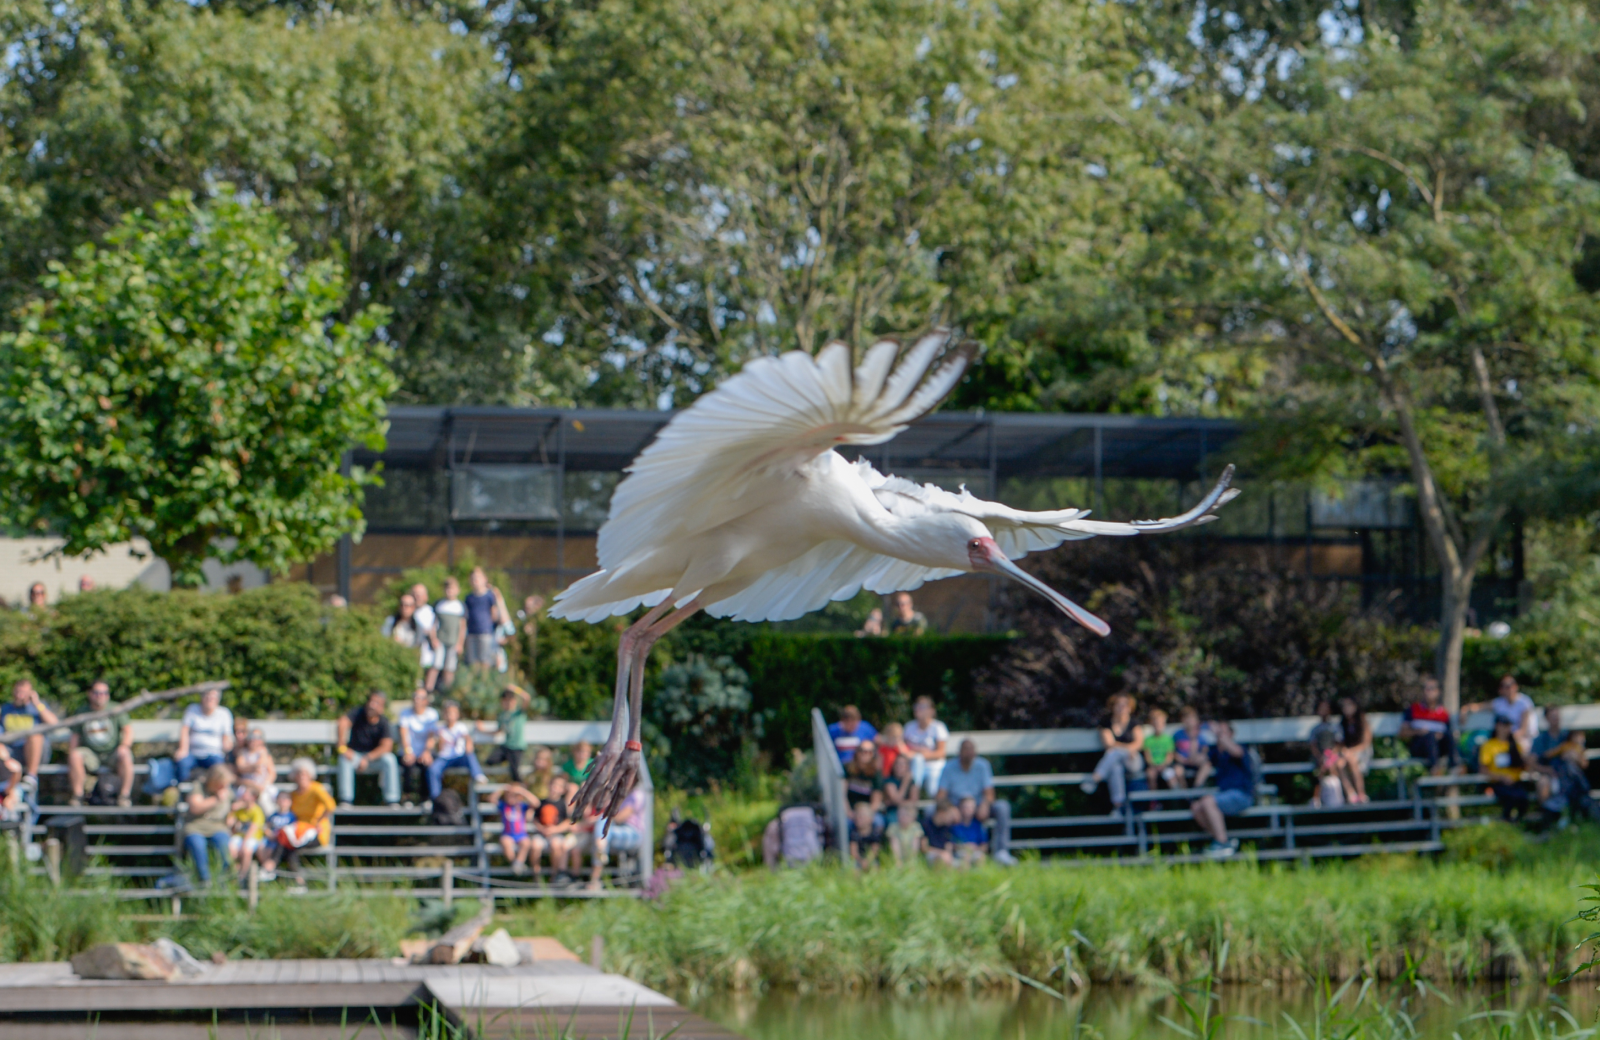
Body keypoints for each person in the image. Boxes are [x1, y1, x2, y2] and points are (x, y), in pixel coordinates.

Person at [935, 738, 1016, 865]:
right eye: (965, 749)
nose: (968, 753)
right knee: (930, 810)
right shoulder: (949, 768)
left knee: (1002, 807)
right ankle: (941, 852)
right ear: (959, 752)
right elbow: (940, 796)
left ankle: (1001, 852)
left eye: (971, 750)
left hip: (977, 806)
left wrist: (985, 804)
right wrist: (950, 808)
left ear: (975, 752)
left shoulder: (982, 766)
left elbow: (989, 793)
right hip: (956, 806)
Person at [66, 679, 135, 807]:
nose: (101, 696)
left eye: (105, 693)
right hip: (90, 753)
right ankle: (78, 796)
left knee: (126, 753)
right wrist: (71, 754)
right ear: (90, 694)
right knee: (74, 755)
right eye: (97, 693)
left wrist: (124, 746)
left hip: (112, 753)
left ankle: (124, 796)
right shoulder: (82, 711)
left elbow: (128, 731)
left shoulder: (115, 709)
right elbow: (75, 736)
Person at [1189, 721, 1252, 858]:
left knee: (1207, 801)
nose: (1219, 735)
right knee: (1196, 807)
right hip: (1224, 795)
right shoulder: (1216, 753)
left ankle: (1222, 843)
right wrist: (1193, 738)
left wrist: (1219, 733)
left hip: (1242, 795)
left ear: (1231, 734)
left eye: (1223, 732)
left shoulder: (1241, 748)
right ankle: (1223, 842)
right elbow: (1194, 760)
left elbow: (1235, 751)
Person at [1081, 693, 1145, 815]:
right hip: (1116, 762)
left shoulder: (1134, 723)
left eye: (1124, 705)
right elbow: (1109, 744)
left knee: (1114, 753)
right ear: (1113, 707)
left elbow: (1138, 744)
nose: (1121, 708)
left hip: (1133, 761)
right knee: (1116, 768)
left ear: (1129, 707)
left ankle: (1095, 778)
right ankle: (1118, 806)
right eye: (1118, 705)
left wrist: (1125, 749)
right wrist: (1127, 748)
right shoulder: (1106, 723)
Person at [336, 690, 400, 807]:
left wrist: (367, 758)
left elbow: (386, 747)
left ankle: (392, 800)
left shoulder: (384, 722)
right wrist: (343, 747)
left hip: (373, 759)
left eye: (376, 703)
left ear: (381, 707)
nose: (371, 705)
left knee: (390, 759)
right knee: (343, 758)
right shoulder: (358, 713)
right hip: (354, 757)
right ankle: (346, 800)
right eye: (371, 701)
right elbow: (342, 722)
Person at [277, 758, 336, 879]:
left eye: (304, 773)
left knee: (291, 846)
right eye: (299, 773)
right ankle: (285, 876)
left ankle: (298, 881)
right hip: (299, 830)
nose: (302, 776)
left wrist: (319, 822)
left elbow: (331, 806)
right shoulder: (293, 794)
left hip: (316, 831)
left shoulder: (316, 789)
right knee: (283, 841)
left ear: (310, 775)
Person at [1530, 706, 1591, 816]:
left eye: (1557, 716)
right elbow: (1532, 763)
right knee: (1543, 783)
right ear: (1546, 719)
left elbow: (1584, 763)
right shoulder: (1540, 740)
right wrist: (1547, 770)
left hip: (1568, 775)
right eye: (1553, 716)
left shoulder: (1568, 737)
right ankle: (1548, 817)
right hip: (1549, 774)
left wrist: (1574, 756)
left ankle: (1572, 817)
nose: (1556, 719)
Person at [182, 765, 235, 885]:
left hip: (218, 827)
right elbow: (195, 807)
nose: (224, 787)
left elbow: (233, 808)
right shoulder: (199, 787)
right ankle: (204, 881)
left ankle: (224, 881)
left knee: (224, 846)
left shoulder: (228, 791)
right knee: (198, 846)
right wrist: (216, 799)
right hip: (196, 827)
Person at [425, 700, 487, 802]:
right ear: (444, 714)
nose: (450, 716)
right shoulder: (440, 729)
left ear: (457, 714)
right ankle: (436, 798)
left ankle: (478, 775)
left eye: (452, 713)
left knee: (469, 755)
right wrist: (436, 744)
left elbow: (468, 739)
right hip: (444, 758)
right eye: (447, 713)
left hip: (459, 757)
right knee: (433, 769)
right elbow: (436, 747)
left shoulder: (460, 727)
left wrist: (468, 744)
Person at [2, 679, 58, 790]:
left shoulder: (38, 707)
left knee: (35, 735)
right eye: (17, 692)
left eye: (23, 692)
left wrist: (37, 703)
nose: (19, 695)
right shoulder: (6, 709)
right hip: (12, 753)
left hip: (36, 753)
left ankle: (31, 777)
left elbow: (55, 724)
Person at [1465, 676, 1539, 757]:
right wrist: (1465, 709)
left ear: (1515, 686)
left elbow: (1523, 730)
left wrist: (1507, 739)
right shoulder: (1499, 702)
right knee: (1484, 747)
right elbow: (1479, 707)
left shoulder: (1524, 702)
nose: (1506, 689)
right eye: (1503, 686)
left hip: (1525, 739)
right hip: (1504, 739)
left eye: (1509, 686)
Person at [1399, 676, 1459, 774]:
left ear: (1438, 692)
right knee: (1429, 736)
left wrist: (1439, 736)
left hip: (1439, 749)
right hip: (1419, 748)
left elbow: (1449, 736)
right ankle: (1435, 769)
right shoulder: (1413, 710)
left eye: (1431, 689)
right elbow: (1402, 733)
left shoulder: (1444, 714)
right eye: (1425, 689)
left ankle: (1455, 767)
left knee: (1447, 735)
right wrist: (1419, 732)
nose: (1428, 692)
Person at [175, 687, 234, 783]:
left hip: (214, 753)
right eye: (207, 696)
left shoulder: (224, 713)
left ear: (217, 699)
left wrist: (228, 748)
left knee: (220, 769)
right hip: (193, 753)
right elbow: (184, 730)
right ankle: (184, 790)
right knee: (182, 762)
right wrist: (183, 749)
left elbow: (227, 736)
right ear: (202, 698)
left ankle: (213, 792)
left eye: (213, 697)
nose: (210, 699)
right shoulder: (192, 709)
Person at [1480, 716, 1529, 821]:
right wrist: (1501, 777)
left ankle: (1516, 823)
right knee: (1510, 798)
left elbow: (1523, 765)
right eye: (1504, 726)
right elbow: (1483, 769)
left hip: (1516, 782)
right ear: (1497, 726)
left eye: (1508, 726)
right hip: (1498, 783)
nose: (1506, 729)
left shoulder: (1515, 745)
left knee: (1523, 798)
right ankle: (1506, 823)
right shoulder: (1489, 745)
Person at [480, 685, 533, 783]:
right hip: (506, 747)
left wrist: (515, 689)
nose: (508, 703)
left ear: (514, 701)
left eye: (510, 700)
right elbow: (498, 731)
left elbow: (527, 698)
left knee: (514, 772)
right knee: (490, 761)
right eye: (505, 701)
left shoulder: (519, 713)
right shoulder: (502, 715)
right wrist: (482, 730)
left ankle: (521, 788)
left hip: (517, 747)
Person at [530, 772, 575, 882]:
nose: (555, 788)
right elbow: (535, 819)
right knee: (535, 845)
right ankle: (536, 874)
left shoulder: (563, 804)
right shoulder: (541, 802)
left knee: (556, 845)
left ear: (563, 790)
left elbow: (567, 822)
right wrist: (542, 829)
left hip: (556, 834)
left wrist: (554, 830)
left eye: (559, 786)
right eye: (554, 785)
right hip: (541, 833)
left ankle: (555, 874)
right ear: (549, 786)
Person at [397, 687, 438, 805]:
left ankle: (425, 798)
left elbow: (432, 735)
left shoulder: (432, 714)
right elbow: (404, 733)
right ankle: (408, 797)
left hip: (425, 751)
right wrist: (408, 751)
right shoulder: (405, 713)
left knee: (427, 763)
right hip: (408, 751)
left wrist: (426, 752)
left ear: (426, 701)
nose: (416, 700)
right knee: (408, 762)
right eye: (415, 696)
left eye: (419, 697)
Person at [903, 696, 950, 795]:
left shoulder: (938, 727)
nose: (918, 708)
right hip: (913, 765)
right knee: (916, 762)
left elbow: (941, 753)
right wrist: (919, 754)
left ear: (931, 711)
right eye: (916, 706)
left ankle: (933, 805)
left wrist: (919, 754)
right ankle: (913, 795)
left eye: (922, 706)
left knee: (933, 786)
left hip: (934, 766)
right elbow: (904, 749)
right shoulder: (909, 727)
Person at [1308, 699, 1347, 807]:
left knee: (1333, 767)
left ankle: (1340, 797)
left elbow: (1338, 744)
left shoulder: (1335, 727)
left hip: (1332, 756)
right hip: (1320, 758)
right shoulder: (1315, 729)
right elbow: (1313, 745)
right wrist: (1319, 756)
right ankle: (1316, 798)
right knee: (1320, 770)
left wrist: (1330, 755)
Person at [463, 568, 503, 671]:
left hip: (485, 633)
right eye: (473, 579)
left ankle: (484, 682)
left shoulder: (489, 596)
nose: (475, 581)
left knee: (485, 660)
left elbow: (494, 614)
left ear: (485, 579)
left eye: (478, 578)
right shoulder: (469, 598)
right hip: (472, 633)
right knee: (473, 661)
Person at [431, 577, 467, 691]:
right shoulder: (439, 604)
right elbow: (433, 624)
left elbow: (462, 627)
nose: (449, 591)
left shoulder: (460, 606)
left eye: (452, 588)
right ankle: (429, 689)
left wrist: (460, 643)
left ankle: (447, 691)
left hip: (453, 642)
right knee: (435, 666)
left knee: (449, 668)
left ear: (458, 590)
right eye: (447, 588)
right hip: (440, 641)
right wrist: (433, 639)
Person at [494, 782, 536, 875]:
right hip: (508, 834)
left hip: (521, 834)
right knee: (505, 842)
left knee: (526, 842)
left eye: (515, 795)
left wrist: (522, 791)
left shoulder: (522, 806)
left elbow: (536, 803)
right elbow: (491, 799)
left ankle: (518, 863)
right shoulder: (503, 806)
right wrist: (501, 789)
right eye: (509, 795)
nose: (512, 798)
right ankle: (515, 863)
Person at [1336, 697, 1372, 804]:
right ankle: (1351, 793)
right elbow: (1340, 743)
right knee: (1339, 764)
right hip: (1347, 753)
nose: (1347, 708)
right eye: (1344, 706)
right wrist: (1345, 751)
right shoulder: (1342, 723)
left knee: (1352, 760)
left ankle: (1361, 793)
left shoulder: (1362, 721)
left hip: (1362, 752)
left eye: (1349, 705)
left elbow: (1366, 743)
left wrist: (1351, 751)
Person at [233, 728, 278, 810]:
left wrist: (264, 785)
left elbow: (272, 773)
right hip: (247, 784)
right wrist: (253, 768)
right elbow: (240, 767)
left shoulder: (265, 753)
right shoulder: (243, 752)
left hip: (262, 785)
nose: (253, 740)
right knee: (243, 797)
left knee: (265, 798)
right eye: (251, 736)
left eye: (257, 737)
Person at [228, 788, 266, 882]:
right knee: (230, 848)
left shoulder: (257, 811)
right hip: (239, 836)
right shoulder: (239, 809)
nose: (243, 796)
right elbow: (229, 823)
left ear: (253, 797)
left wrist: (243, 844)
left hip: (253, 837)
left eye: (246, 794)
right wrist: (232, 810)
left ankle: (243, 876)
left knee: (246, 851)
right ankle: (233, 872)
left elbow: (252, 830)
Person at [568, 803, 609, 891]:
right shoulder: (591, 801)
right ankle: (575, 878)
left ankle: (595, 880)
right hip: (586, 833)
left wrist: (589, 822)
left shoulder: (608, 801)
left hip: (600, 836)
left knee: (599, 848)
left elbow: (604, 818)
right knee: (575, 849)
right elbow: (586, 817)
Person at [259, 789, 298, 880]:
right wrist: (269, 833)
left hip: (283, 842)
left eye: (284, 800)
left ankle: (269, 869)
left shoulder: (292, 816)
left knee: (270, 849)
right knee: (261, 847)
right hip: (272, 839)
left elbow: (292, 830)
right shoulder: (273, 815)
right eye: (280, 799)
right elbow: (267, 827)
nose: (282, 802)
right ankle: (268, 870)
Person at [600, 785, 647, 860]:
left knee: (602, 829)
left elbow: (619, 818)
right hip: (617, 829)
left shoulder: (636, 795)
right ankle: (600, 852)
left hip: (633, 833)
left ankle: (600, 852)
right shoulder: (619, 795)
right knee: (601, 831)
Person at [1172, 706, 1214, 788]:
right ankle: (1184, 792)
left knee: (1207, 765)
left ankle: (1197, 787)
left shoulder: (1200, 735)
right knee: (1178, 770)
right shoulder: (1177, 734)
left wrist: (1199, 757)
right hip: (1183, 762)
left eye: (1191, 719)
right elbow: (1173, 751)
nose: (1189, 722)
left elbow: (1205, 749)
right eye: (1186, 719)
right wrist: (1181, 759)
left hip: (1195, 761)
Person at [844, 742, 886, 820]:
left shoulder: (876, 773)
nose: (865, 754)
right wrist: (849, 812)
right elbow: (842, 794)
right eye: (862, 750)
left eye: (869, 752)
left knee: (878, 821)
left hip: (867, 811)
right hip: (850, 810)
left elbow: (876, 801)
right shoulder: (847, 769)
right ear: (857, 752)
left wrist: (865, 816)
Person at [1142, 707, 1180, 791]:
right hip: (1153, 767)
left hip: (1166, 766)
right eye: (1156, 723)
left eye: (1160, 723)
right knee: (1150, 774)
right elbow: (1147, 756)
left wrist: (1163, 765)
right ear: (1152, 724)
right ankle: (1154, 800)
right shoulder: (1148, 740)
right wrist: (1155, 766)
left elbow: (1170, 756)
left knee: (1170, 776)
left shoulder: (1168, 739)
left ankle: (1177, 799)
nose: (1158, 726)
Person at [410, 582, 440, 686]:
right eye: (415, 594)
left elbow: (430, 630)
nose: (417, 597)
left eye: (420, 594)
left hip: (425, 648)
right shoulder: (407, 609)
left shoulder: (429, 612)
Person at [382, 592, 422, 660]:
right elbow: (384, 638)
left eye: (407, 605)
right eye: (402, 605)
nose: (404, 608)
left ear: (413, 607)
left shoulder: (418, 626)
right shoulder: (391, 621)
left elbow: (417, 645)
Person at [848, 800, 885, 870]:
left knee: (875, 867)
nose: (858, 819)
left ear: (870, 819)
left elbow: (874, 850)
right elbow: (853, 852)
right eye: (857, 816)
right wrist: (861, 861)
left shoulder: (875, 833)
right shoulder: (854, 833)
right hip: (858, 859)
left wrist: (867, 861)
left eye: (862, 817)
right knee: (853, 868)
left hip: (870, 858)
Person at [951, 796, 988, 867]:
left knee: (981, 857)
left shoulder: (978, 825)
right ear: (960, 808)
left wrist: (976, 848)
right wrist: (965, 847)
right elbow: (951, 845)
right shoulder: (954, 825)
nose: (969, 809)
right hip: (960, 853)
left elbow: (984, 845)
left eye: (971, 807)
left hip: (975, 851)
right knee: (966, 857)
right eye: (966, 807)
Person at [886, 802, 923, 866]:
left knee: (915, 842)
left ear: (912, 817)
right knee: (895, 840)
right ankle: (898, 863)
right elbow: (893, 844)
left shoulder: (916, 826)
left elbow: (915, 844)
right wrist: (898, 859)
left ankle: (912, 862)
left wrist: (912, 858)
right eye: (900, 815)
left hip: (911, 854)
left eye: (906, 815)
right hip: (897, 855)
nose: (902, 817)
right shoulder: (893, 827)